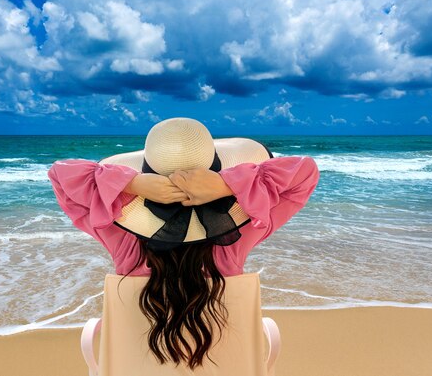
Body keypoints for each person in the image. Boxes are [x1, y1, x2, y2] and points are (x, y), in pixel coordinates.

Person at [47, 117, 319, 370]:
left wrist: (133, 184)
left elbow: (61, 176)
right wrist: (226, 186)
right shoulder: (240, 235)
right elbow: (305, 173)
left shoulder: (119, 235)